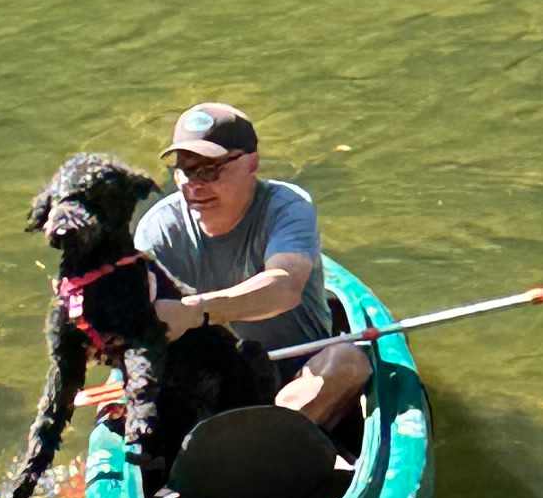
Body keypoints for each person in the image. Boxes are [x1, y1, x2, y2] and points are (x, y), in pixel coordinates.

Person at [136, 103, 374, 432]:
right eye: (186, 171)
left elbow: (284, 286)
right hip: (213, 383)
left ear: (252, 163)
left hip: (299, 370)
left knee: (348, 362)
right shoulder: (157, 231)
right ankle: (249, 440)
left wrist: (195, 311)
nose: (195, 185)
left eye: (209, 170)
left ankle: (262, 436)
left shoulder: (287, 207)